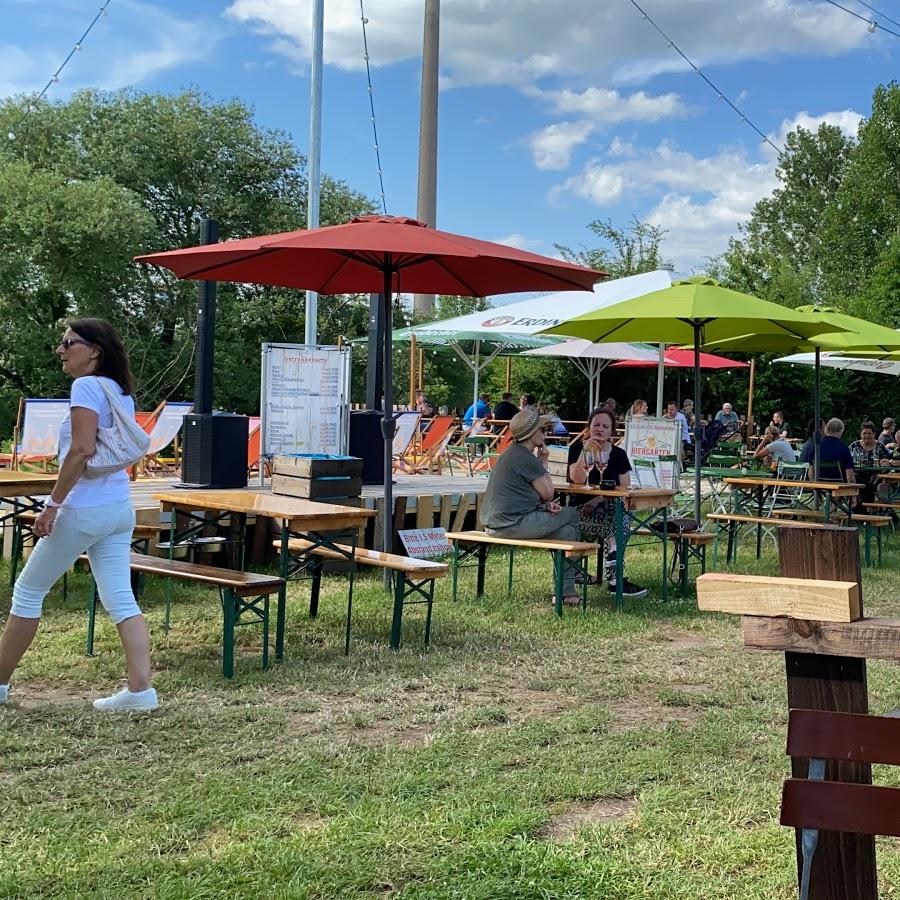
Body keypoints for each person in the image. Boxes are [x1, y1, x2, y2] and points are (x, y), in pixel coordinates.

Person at [0, 319, 157, 711]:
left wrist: (51, 505)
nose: (60, 349)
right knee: (121, 599)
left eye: (68, 342)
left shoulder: (86, 386)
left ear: (94, 351)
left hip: (83, 510)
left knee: (29, 591)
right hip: (120, 508)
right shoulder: (121, 393)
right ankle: (141, 692)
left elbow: (83, 450)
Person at [480, 408, 582, 606]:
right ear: (533, 434)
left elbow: (529, 496)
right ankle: (575, 571)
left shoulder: (513, 453)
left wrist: (544, 507)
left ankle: (566, 592)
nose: (545, 433)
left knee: (567, 532)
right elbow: (548, 493)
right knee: (571, 514)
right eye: (542, 429)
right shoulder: (527, 458)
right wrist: (543, 461)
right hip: (511, 524)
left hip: (497, 523)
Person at [567, 407, 647, 599]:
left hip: (608, 510)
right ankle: (614, 579)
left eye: (605, 426)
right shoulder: (577, 448)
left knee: (617, 513)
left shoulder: (618, 454)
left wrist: (598, 498)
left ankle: (613, 578)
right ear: (589, 427)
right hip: (580, 513)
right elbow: (576, 479)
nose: (600, 429)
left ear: (612, 431)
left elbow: (624, 489)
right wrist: (585, 451)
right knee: (619, 520)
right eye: (596, 425)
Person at [850, 420, 895, 508]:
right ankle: (861, 512)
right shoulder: (853, 446)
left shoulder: (880, 446)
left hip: (876, 477)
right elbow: (847, 461)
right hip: (857, 476)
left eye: (869, 433)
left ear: (874, 434)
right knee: (862, 485)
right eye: (864, 433)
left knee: (872, 486)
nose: (867, 436)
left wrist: (885, 462)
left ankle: (865, 512)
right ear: (861, 434)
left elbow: (888, 461)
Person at [801, 417, 855, 483]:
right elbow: (850, 477)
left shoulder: (816, 447)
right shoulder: (844, 448)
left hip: (819, 485)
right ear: (841, 431)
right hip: (839, 486)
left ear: (826, 429)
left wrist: (815, 485)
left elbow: (811, 473)